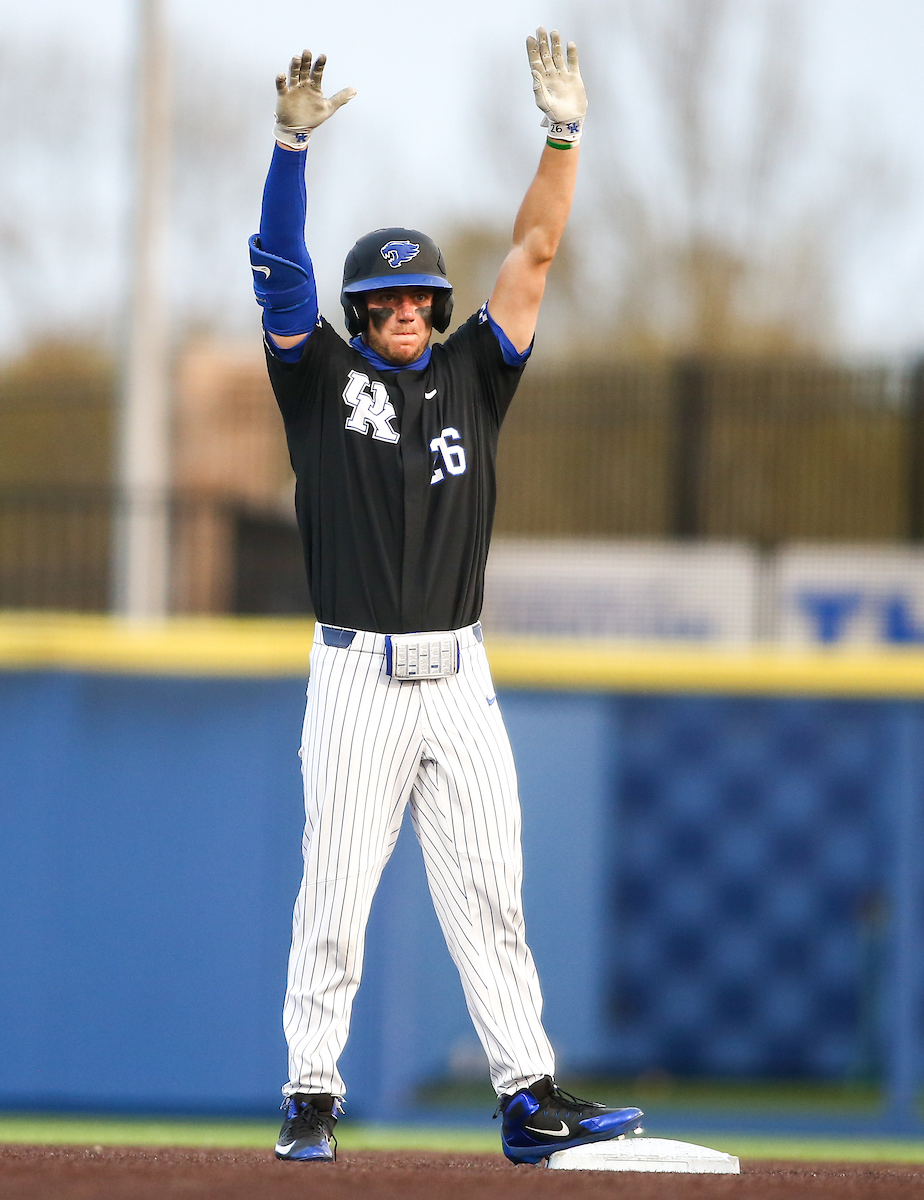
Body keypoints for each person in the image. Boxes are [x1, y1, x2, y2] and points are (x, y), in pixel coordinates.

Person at [250, 28, 643, 1165]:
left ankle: (528, 1098)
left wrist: (563, 136)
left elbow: (536, 248)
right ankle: (310, 1096)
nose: (408, 310)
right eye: (386, 300)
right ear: (362, 316)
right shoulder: (319, 380)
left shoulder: (477, 371)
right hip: (357, 671)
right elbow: (279, 270)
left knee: (490, 892)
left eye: (420, 293)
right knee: (335, 895)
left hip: (459, 672)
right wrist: (289, 152)